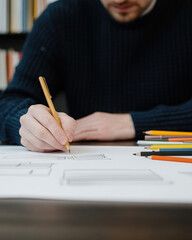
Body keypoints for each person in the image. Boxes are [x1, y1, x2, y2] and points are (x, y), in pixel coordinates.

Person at [0, 0, 192, 152]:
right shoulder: (60, 18)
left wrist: (133, 123)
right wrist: (25, 123)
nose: (120, 0)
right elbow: (8, 103)